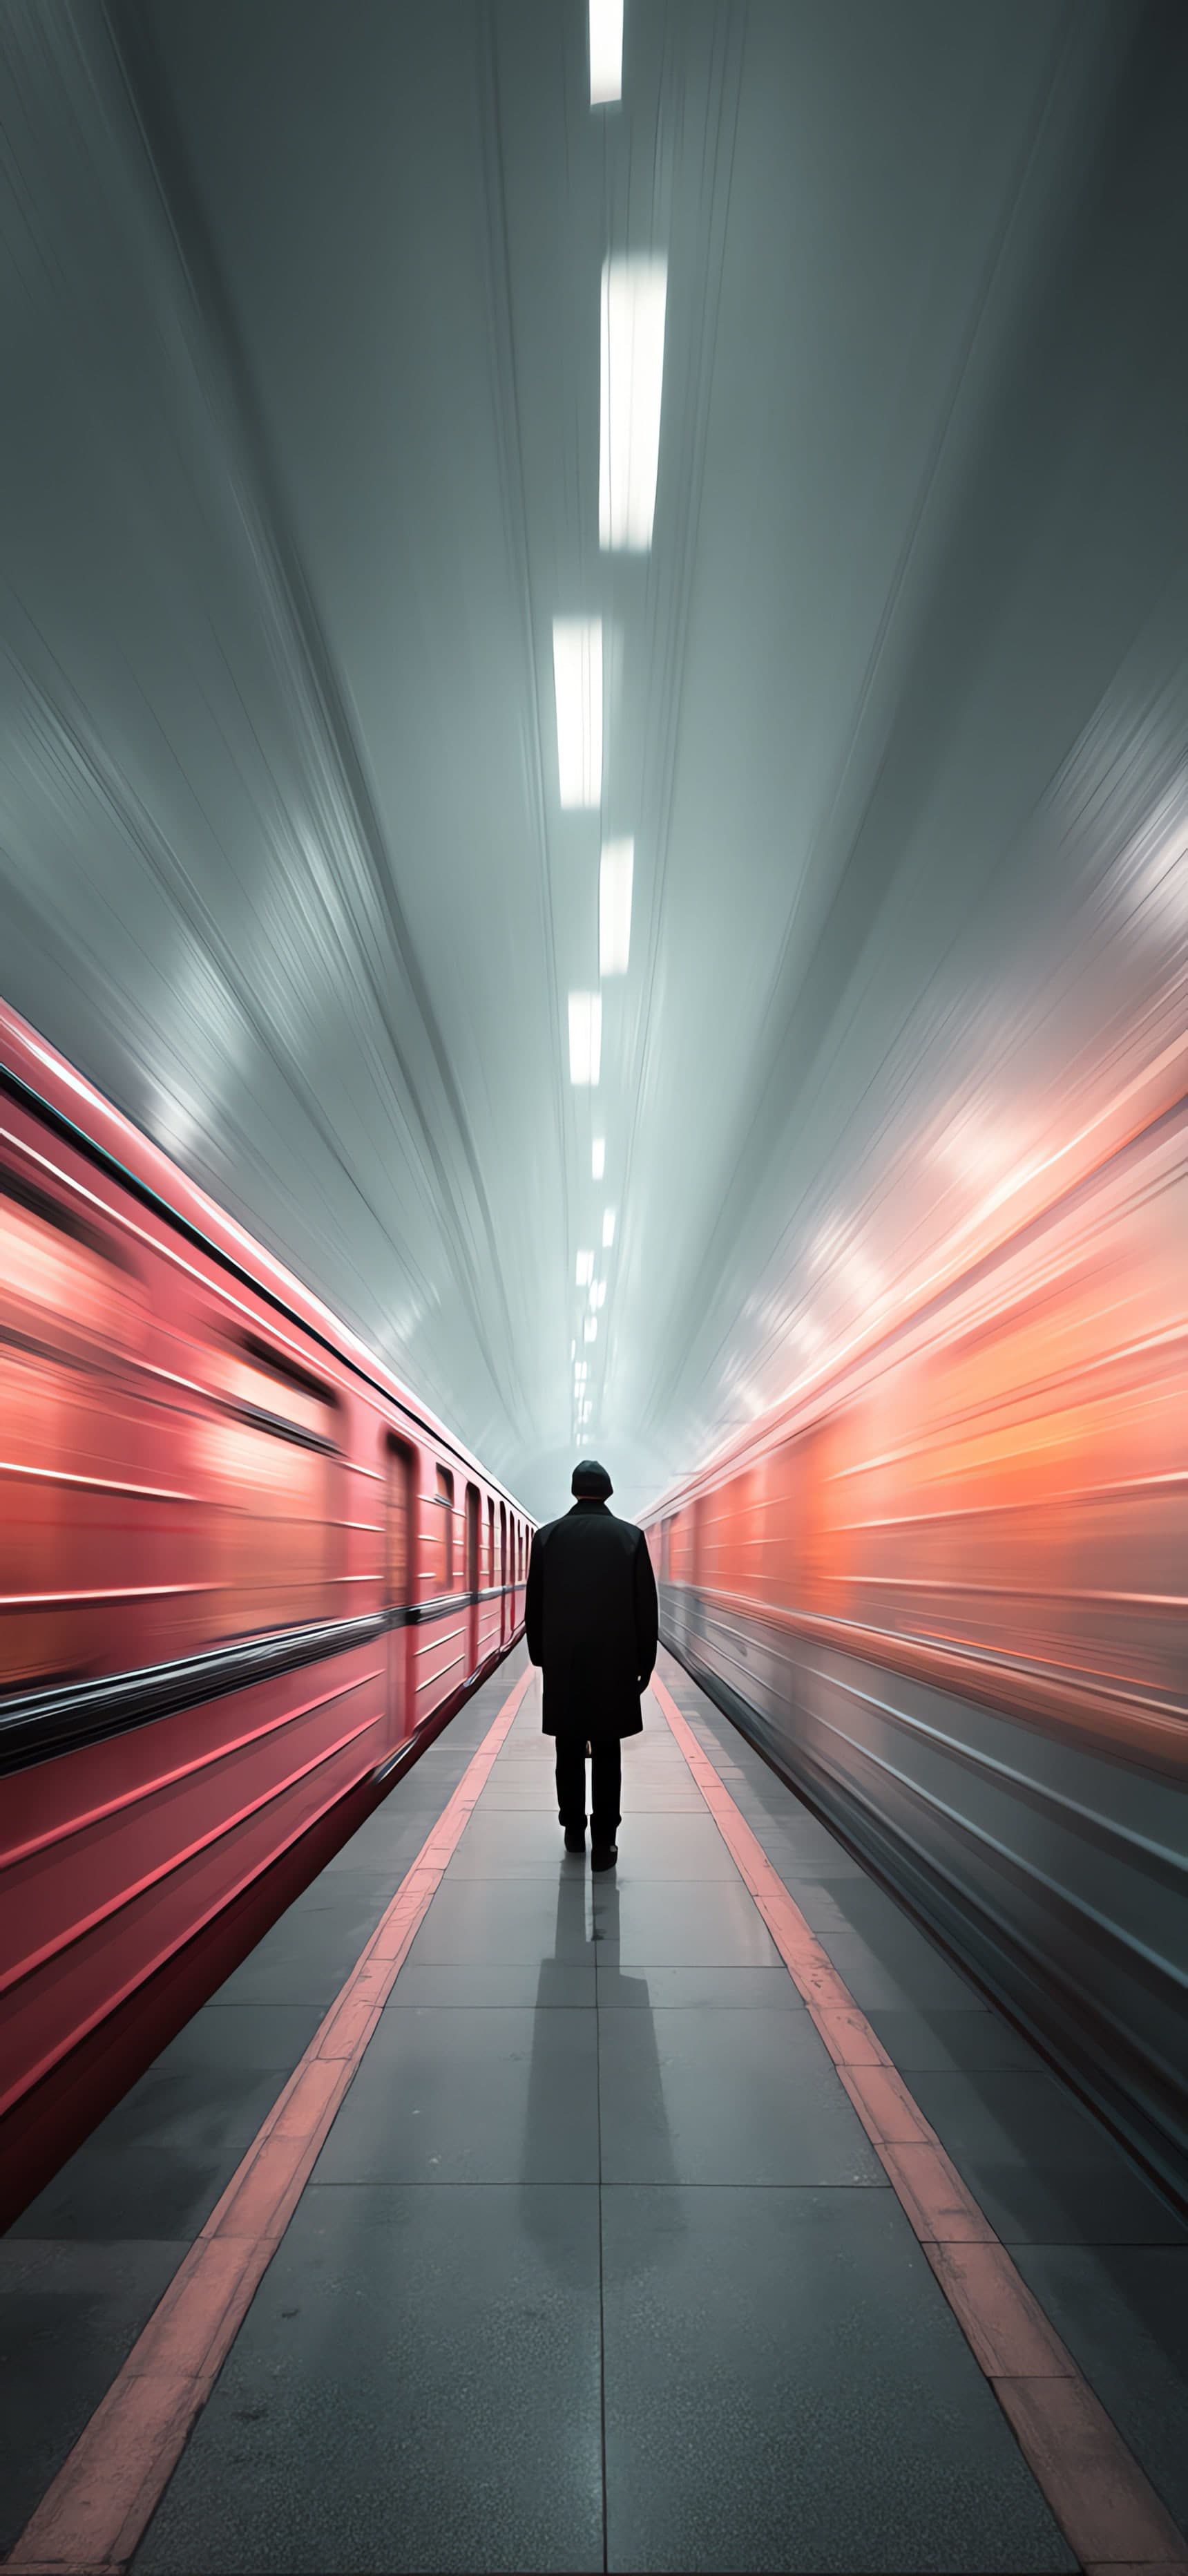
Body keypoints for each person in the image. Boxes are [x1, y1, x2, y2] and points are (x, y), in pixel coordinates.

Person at [524, 1458, 659, 1871]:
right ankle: (605, 1842)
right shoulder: (631, 1538)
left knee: (567, 1747)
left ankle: (572, 1831)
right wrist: (644, 1664)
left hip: (564, 1664)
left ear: (572, 1491)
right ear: (610, 1492)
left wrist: (541, 1657)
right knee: (606, 1749)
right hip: (614, 1665)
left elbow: (535, 1606)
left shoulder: (547, 1538)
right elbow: (645, 1606)